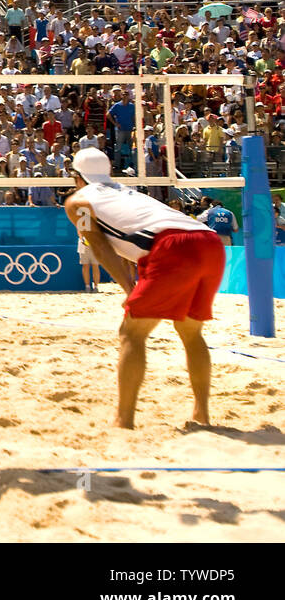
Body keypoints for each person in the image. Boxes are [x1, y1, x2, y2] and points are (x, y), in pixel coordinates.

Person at [64, 148, 224, 429]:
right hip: (209, 242)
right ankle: (202, 415)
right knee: (190, 331)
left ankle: (123, 421)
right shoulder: (127, 191)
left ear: (77, 177)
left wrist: (128, 288)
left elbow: (99, 246)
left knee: (131, 332)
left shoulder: (78, 201)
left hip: (172, 247)